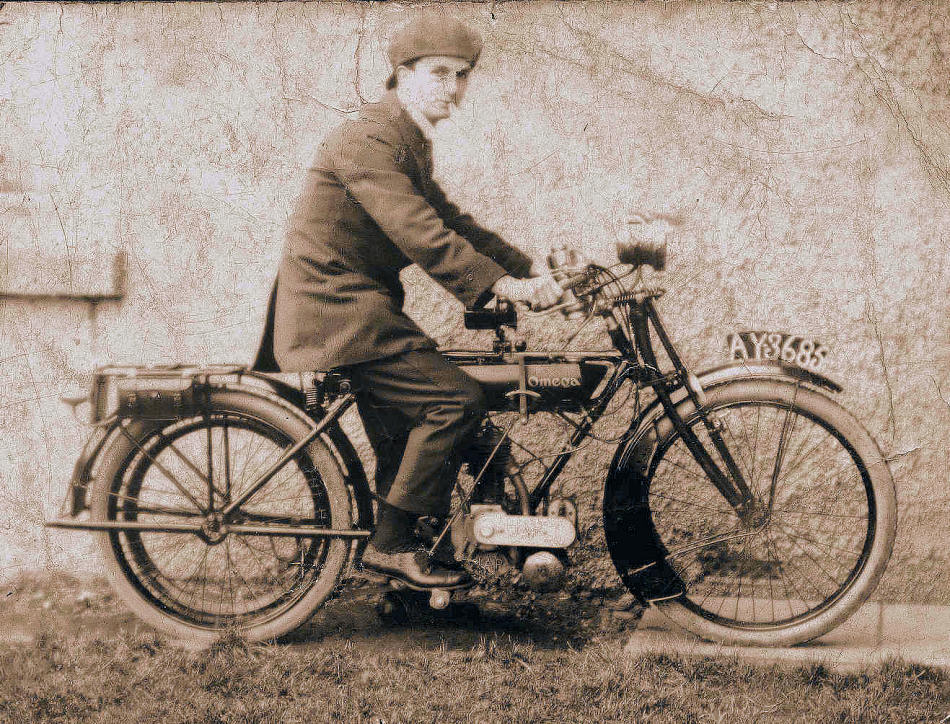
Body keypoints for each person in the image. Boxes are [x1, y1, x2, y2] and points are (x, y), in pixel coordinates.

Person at [254, 13, 562, 588]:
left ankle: (425, 558)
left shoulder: (407, 138)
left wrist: (531, 269)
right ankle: (392, 547)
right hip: (338, 308)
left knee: (435, 428)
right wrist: (505, 286)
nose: (454, 86)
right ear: (403, 74)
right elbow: (420, 231)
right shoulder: (369, 136)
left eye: (462, 74)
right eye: (440, 72)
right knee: (454, 401)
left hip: (358, 306)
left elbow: (455, 223)